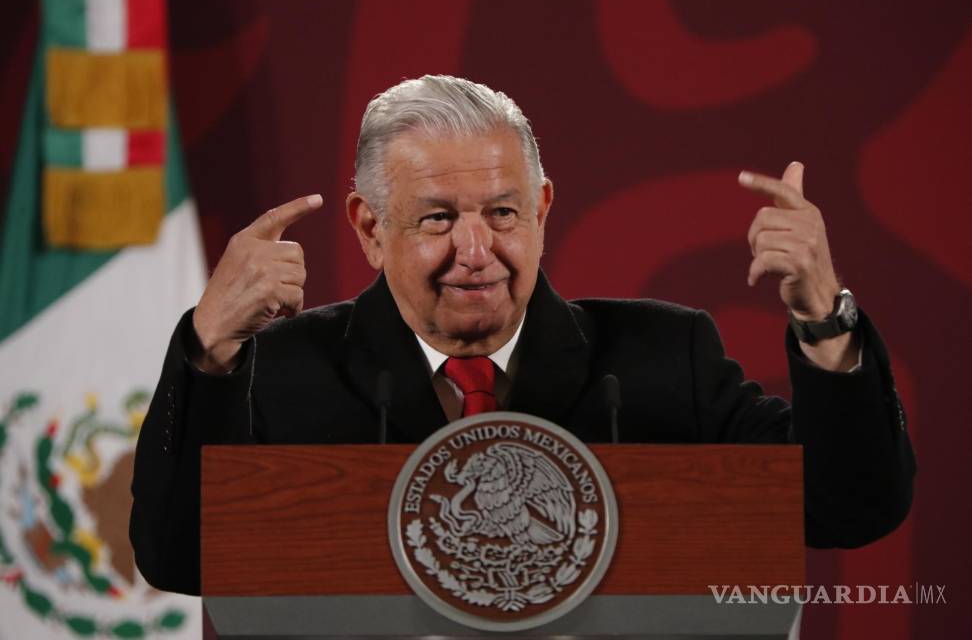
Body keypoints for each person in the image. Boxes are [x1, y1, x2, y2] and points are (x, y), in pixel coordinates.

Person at [130, 75, 915, 596]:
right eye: (438, 218)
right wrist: (209, 350)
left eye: (502, 214)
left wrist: (824, 319)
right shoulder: (281, 372)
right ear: (370, 227)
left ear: (540, 211)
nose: (477, 252)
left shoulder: (660, 360)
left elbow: (848, 509)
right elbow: (178, 558)